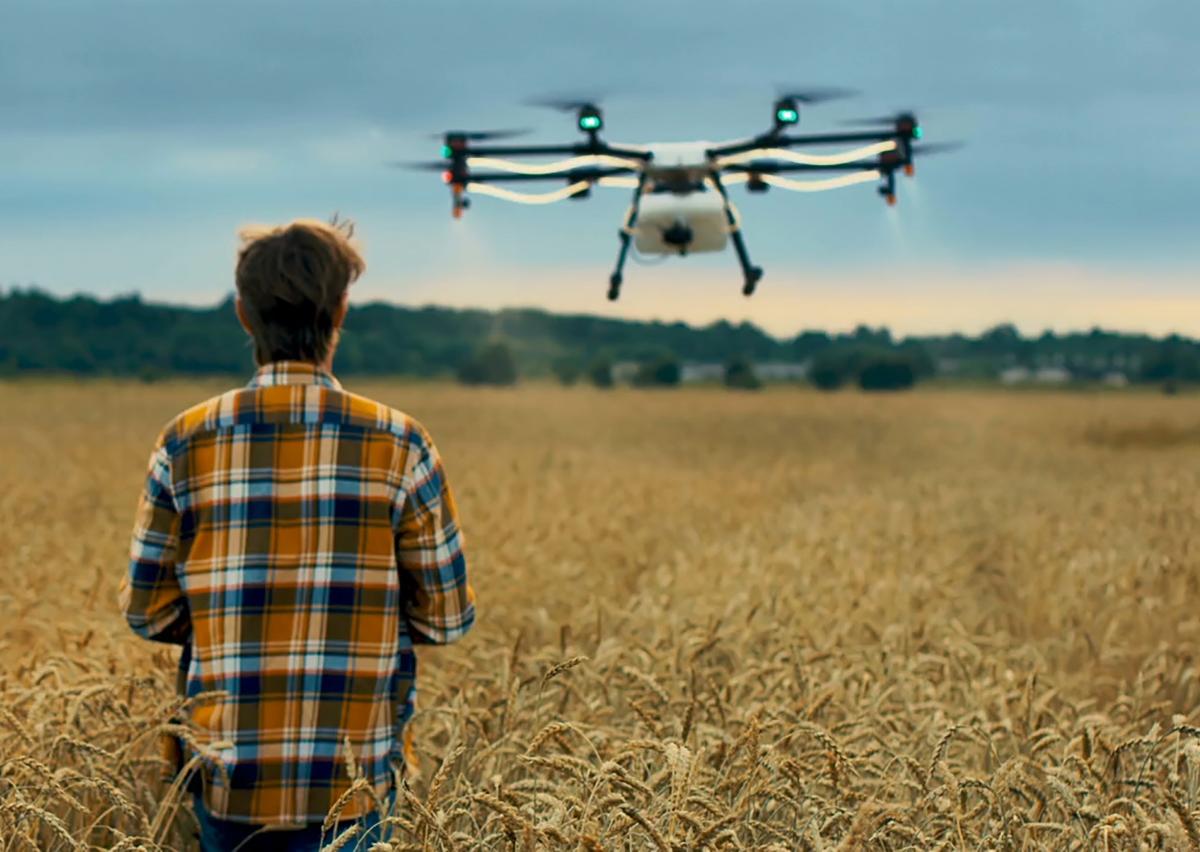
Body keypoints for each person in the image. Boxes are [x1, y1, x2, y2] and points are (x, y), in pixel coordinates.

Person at [119, 218, 475, 851]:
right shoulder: (402, 443)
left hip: (227, 777)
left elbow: (146, 614)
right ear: (341, 310)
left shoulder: (185, 441)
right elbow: (446, 618)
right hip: (352, 782)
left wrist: (232, 618)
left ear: (242, 316)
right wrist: (363, 615)